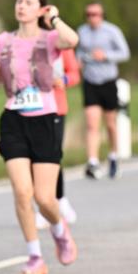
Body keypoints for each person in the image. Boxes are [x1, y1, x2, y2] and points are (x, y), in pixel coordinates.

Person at [0, 0, 80, 274]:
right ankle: (35, 256)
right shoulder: (4, 40)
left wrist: (53, 18)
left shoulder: (50, 38)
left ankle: (59, 229)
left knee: (44, 198)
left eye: (28, 2)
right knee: (22, 193)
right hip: (13, 118)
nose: (21, 6)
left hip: (45, 119)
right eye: (18, 1)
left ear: (40, 9)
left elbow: (72, 39)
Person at [76, 1, 129, 179]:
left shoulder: (112, 31)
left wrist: (105, 55)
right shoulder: (81, 31)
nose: (92, 17)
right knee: (92, 123)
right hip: (90, 81)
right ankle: (93, 161)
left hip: (108, 80)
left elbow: (124, 53)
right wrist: (79, 62)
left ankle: (113, 155)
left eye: (95, 14)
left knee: (110, 124)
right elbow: (77, 53)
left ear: (102, 15)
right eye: (89, 14)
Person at [37, 45, 80, 227]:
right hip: (32, 108)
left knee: (52, 156)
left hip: (56, 107)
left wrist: (64, 80)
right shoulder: (28, 43)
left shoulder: (61, 46)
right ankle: (41, 206)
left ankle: (59, 199)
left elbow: (74, 74)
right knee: (34, 159)